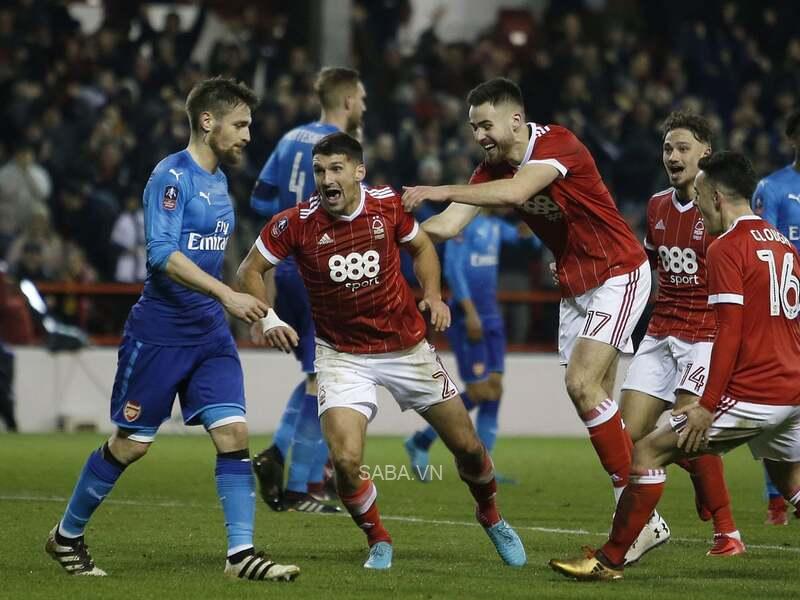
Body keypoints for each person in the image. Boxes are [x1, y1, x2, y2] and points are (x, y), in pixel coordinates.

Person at [44, 77, 299, 582]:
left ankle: (240, 555)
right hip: (160, 334)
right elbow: (162, 255)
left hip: (209, 334)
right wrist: (227, 295)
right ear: (209, 122)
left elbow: (215, 262)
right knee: (132, 444)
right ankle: (66, 536)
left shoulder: (220, 181)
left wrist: (261, 312)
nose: (248, 135)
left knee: (233, 433)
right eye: (241, 124)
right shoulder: (171, 177)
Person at [402, 77, 665, 561]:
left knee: (582, 385)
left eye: (486, 124)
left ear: (516, 120)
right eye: (472, 127)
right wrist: (393, 230)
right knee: (598, 398)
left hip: (618, 271)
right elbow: (448, 225)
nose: (479, 134)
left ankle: (639, 514)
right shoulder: (489, 170)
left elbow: (516, 191)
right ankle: (640, 518)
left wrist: (436, 187)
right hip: (575, 284)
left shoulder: (556, 142)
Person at [237, 132, 526, 570]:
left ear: (358, 171)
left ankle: (491, 515)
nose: (325, 179)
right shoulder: (295, 222)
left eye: (335, 169)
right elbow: (249, 269)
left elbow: (423, 245)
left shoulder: (387, 204)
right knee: (346, 460)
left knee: (467, 447)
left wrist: (433, 294)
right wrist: (269, 317)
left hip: (407, 347)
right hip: (343, 355)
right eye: (319, 170)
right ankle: (379, 538)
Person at [550, 151, 800, 582]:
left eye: (701, 197)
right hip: (792, 390)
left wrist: (708, 403)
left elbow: (730, 334)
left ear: (718, 196)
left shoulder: (726, 248)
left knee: (647, 451)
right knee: (789, 477)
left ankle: (609, 559)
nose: (699, 207)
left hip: (758, 392)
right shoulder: (781, 243)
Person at [618, 112, 743, 556]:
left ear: (705, 153)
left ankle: (728, 533)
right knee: (625, 435)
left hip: (705, 333)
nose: (673, 155)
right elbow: (648, 268)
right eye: (668, 148)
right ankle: (695, 467)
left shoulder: (725, 209)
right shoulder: (655, 207)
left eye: (683, 148)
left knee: (688, 427)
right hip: (660, 332)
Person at [249, 67, 366, 513]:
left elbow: (260, 201)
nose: (365, 108)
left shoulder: (289, 139)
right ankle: (301, 486)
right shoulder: (341, 154)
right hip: (324, 270)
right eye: (363, 100)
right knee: (329, 377)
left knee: (318, 375)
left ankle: (281, 456)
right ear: (349, 101)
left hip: (289, 265)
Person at [404, 209, 539, 482]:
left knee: (495, 389)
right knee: (479, 391)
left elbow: (528, 242)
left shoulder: (496, 226)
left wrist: (531, 227)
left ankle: (484, 465)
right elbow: (453, 269)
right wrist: (470, 311)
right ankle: (422, 440)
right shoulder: (462, 227)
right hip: (469, 317)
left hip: (492, 316)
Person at [751, 108, 800, 526]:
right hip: (787, 310)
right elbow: (763, 246)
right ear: (792, 138)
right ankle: (775, 499)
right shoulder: (774, 188)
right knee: (776, 402)